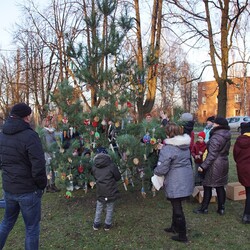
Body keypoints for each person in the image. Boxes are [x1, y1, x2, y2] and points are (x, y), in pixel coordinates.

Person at [0, 103, 47, 250]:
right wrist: (41, 185)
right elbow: (39, 165)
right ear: (25, 117)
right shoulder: (30, 136)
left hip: (9, 188)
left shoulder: (2, 135)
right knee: (32, 229)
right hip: (28, 191)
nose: (29, 118)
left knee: (6, 223)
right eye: (29, 115)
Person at [154, 122, 194, 243]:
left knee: (177, 207)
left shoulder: (168, 149)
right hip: (186, 177)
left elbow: (162, 168)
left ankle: (182, 235)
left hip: (175, 180)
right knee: (175, 204)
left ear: (168, 133)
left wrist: (155, 171)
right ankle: (174, 227)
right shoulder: (184, 145)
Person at [193, 116, 231, 215]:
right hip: (223, 162)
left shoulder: (216, 136)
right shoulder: (226, 134)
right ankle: (221, 208)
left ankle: (204, 208)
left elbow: (212, 154)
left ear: (218, 125)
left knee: (207, 185)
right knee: (220, 186)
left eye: (214, 123)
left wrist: (203, 166)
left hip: (215, 164)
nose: (213, 124)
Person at [92, 151, 121, 231]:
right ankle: (107, 225)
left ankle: (96, 224)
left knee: (99, 207)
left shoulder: (94, 166)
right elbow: (118, 177)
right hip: (110, 190)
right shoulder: (111, 166)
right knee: (110, 207)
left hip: (100, 190)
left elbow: (94, 176)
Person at [233, 122, 250, 224]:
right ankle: (247, 215)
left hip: (243, 169)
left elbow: (235, 155)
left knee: (248, 191)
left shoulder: (239, 141)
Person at [41, 117, 60, 193]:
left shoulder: (52, 131)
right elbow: (42, 143)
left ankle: (53, 184)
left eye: (49, 121)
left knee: (53, 168)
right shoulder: (43, 131)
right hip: (47, 153)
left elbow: (55, 140)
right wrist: (46, 151)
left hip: (53, 152)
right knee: (48, 169)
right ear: (44, 122)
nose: (48, 122)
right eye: (47, 121)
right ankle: (48, 186)